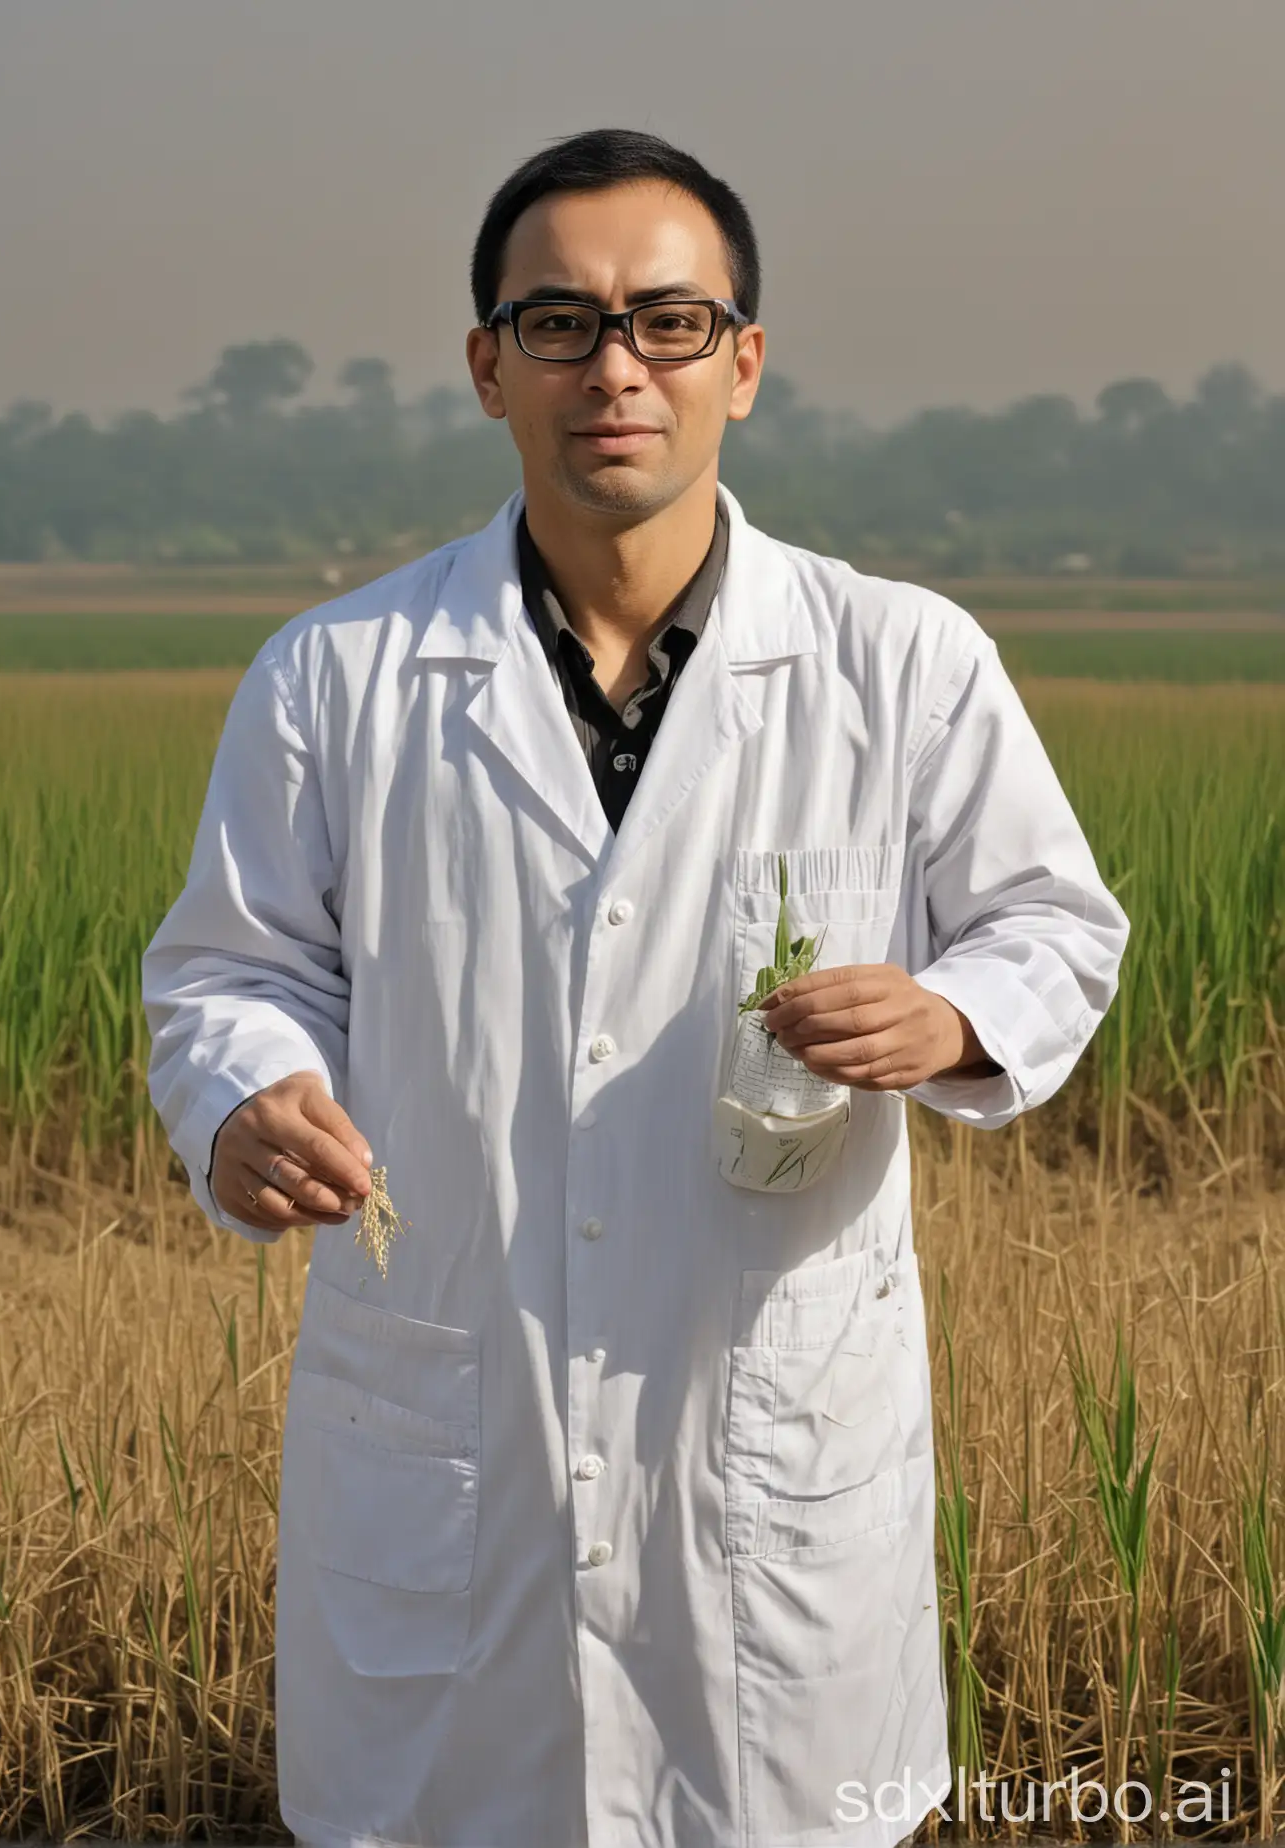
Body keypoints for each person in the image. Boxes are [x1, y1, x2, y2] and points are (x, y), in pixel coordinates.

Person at [142, 128, 1129, 1848]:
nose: (616, 366)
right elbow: (232, 968)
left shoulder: (898, 661)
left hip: (770, 1460)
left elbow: (1054, 924)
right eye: (560, 322)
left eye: (671, 322)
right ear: (487, 367)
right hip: (455, 1448)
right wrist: (242, 1098)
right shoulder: (341, 677)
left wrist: (954, 1016)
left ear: (743, 364)